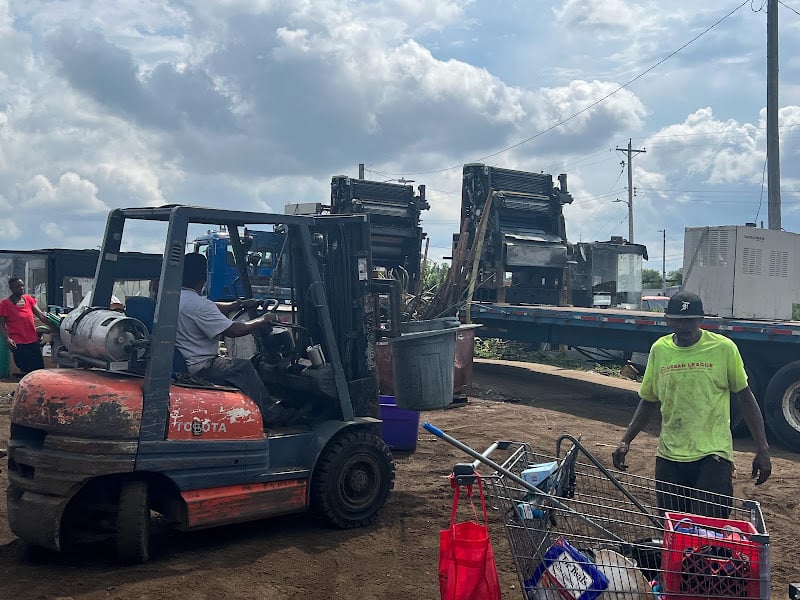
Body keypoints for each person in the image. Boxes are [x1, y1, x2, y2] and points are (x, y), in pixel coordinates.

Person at [612, 291, 771, 518]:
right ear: (668, 319)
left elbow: (745, 398)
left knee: (709, 533)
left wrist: (763, 449)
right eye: (678, 320)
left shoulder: (724, 349)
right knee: (674, 534)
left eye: (689, 320)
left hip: (713, 455)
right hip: (669, 456)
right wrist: (625, 441)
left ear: (701, 319)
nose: (684, 326)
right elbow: (648, 401)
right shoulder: (660, 350)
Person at [176, 252, 282, 424]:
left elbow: (212, 307)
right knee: (243, 366)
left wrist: (238, 304)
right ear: (203, 277)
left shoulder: (175, 298)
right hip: (201, 367)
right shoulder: (199, 306)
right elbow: (235, 330)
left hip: (184, 361)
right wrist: (263, 319)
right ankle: (271, 414)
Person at [0, 277, 52, 375]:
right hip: (18, 342)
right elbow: (1, 323)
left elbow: (41, 315)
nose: (21, 288)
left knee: (38, 369)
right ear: (11, 288)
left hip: (32, 340)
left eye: (22, 285)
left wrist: (54, 327)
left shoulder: (28, 299)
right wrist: (7, 338)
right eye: (18, 286)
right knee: (25, 368)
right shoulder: (5, 304)